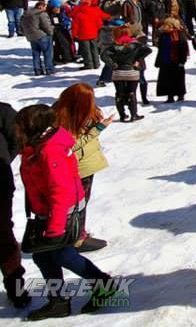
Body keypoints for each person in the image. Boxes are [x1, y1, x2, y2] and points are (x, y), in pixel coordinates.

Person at [16, 104, 115, 320]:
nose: (17, 131)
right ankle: (58, 300)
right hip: (48, 210)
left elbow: (60, 190)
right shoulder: (38, 144)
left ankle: (103, 283)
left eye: (20, 127)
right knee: (43, 256)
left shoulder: (50, 150)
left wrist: (56, 226)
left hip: (61, 212)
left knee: (61, 253)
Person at [54, 83, 114, 252]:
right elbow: (71, 146)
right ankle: (77, 238)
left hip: (86, 163)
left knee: (80, 202)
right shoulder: (63, 118)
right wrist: (98, 130)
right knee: (78, 203)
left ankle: (77, 233)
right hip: (79, 167)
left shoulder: (77, 112)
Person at [0, 102, 27, 309]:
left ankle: (15, 288)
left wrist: (4, 161)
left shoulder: (2, 110)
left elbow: (17, 138)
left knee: (3, 234)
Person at [101, 26, 152, 121]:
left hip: (118, 72)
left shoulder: (113, 47)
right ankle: (134, 115)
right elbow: (148, 50)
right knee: (132, 93)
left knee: (119, 94)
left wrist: (112, 64)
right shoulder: (135, 44)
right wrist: (137, 59)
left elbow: (103, 56)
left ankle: (122, 115)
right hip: (132, 72)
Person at [70, 0, 110, 71]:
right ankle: (96, 63)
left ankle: (89, 64)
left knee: (86, 50)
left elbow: (75, 25)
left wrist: (74, 34)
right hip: (94, 33)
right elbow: (100, 21)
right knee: (94, 48)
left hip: (83, 34)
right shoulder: (94, 10)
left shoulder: (78, 12)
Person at [155, 17, 189, 103]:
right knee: (167, 79)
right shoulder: (163, 35)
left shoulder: (179, 34)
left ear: (172, 26)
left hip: (176, 60)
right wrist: (158, 60)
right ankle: (170, 96)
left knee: (178, 78)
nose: (164, 27)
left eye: (166, 25)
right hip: (165, 60)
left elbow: (184, 48)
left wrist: (182, 61)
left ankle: (180, 95)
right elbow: (160, 48)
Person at [21, 0, 55, 76]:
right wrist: (51, 33)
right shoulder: (41, 14)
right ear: (40, 6)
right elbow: (46, 25)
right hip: (42, 36)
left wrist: (26, 34)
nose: (46, 8)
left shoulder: (25, 14)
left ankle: (37, 70)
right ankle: (49, 69)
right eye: (45, 6)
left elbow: (21, 26)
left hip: (31, 37)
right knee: (47, 53)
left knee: (36, 54)